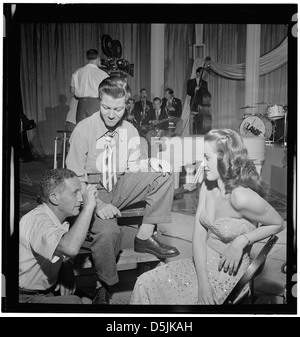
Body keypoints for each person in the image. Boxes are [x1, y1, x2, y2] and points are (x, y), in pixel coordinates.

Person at [130, 129, 285, 305]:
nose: (202, 164)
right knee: (145, 282)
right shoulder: (207, 185)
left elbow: (279, 224)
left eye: (207, 158)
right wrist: (203, 282)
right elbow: (199, 235)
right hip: (201, 264)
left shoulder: (241, 197)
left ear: (224, 159)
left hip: (228, 273)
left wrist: (242, 240)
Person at [66, 76, 179, 304]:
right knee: (109, 233)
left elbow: (132, 167)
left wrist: (150, 165)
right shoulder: (83, 130)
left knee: (166, 173)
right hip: (91, 187)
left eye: (117, 109)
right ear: (99, 100)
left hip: (120, 182)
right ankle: (104, 286)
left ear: (127, 104)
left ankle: (144, 236)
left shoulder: (130, 130)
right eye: (106, 107)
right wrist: (97, 204)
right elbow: (75, 179)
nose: (111, 114)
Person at [19, 168, 98, 304]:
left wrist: (66, 266)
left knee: (87, 301)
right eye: (75, 193)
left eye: (81, 192)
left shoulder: (57, 218)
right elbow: (70, 248)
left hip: (45, 291)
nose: (81, 199)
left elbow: (60, 250)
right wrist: (89, 207)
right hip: (23, 296)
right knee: (74, 302)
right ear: (54, 198)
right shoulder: (39, 221)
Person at [71, 49, 109, 124]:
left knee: (81, 130)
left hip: (81, 105)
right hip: (95, 104)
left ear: (87, 58)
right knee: (95, 130)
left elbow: (72, 90)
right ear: (98, 58)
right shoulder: (103, 74)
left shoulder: (78, 72)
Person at [187, 67, 212, 135]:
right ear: (198, 73)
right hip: (194, 103)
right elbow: (188, 92)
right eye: (202, 73)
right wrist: (194, 90)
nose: (203, 75)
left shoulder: (204, 83)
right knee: (192, 120)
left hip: (202, 105)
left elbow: (206, 93)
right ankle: (192, 135)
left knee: (202, 121)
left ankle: (203, 135)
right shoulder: (190, 81)